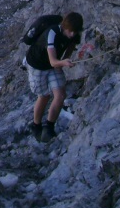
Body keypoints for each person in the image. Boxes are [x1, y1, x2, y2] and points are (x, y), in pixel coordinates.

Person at [24, 12, 83, 142]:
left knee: (60, 95)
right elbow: (53, 61)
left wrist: (65, 58)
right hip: (37, 65)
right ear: (65, 27)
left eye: (75, 32)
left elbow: (72, 45)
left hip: (53, 65)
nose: (72, 34)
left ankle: (49, 127)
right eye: (70, 31)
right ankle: (36, 125)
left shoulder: (74, 34)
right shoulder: (52, 33)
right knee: (44, 96)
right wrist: (63, 62)